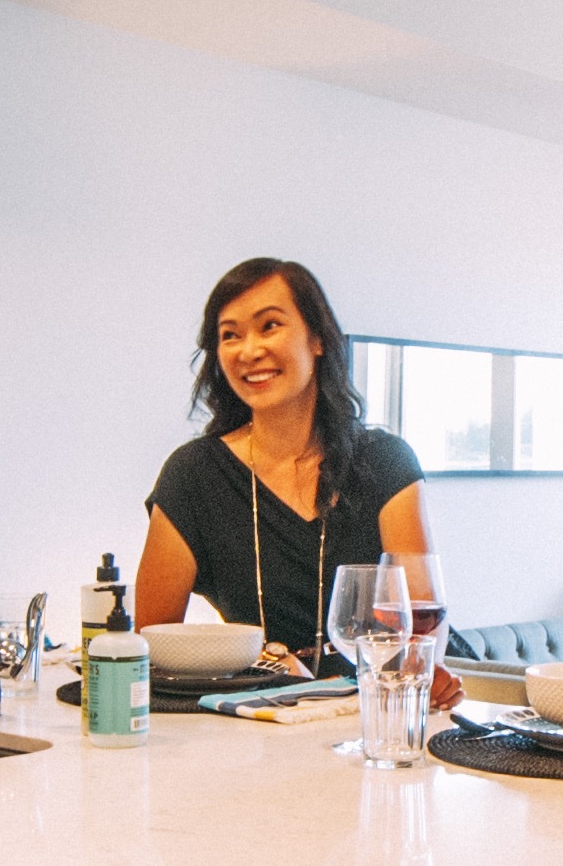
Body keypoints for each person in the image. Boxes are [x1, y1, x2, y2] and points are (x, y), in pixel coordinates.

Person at [135, 257, 456, 704]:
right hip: (265, 720)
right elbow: (148, 646)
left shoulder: (386, 462)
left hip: (384, 709)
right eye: (230, 335)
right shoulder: (193, 475)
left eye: (269, 326)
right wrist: (262, 660)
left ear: (318, 339)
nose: (248, 351)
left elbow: (419, 627)